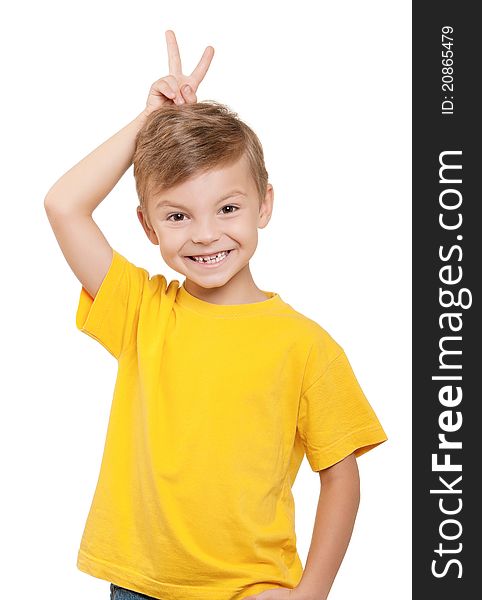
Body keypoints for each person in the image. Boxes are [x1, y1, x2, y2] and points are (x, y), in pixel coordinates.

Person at [44, 29, 388, 600]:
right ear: (148, 227)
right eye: (177, 216)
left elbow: (341, 474)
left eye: (227, 207)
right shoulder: (141, 309)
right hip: (139, 587)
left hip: (251, 591)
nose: (206, 235)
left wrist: (312, 594)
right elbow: (64, 204)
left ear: (265, 204)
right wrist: (148, 122)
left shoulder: (306, 345)